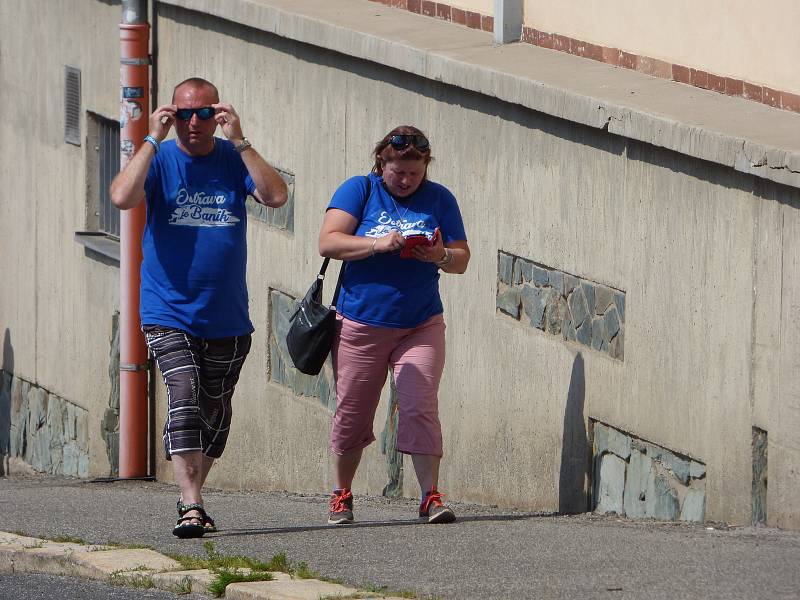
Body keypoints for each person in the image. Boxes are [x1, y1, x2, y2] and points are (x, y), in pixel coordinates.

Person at [110, 77, 288, 538]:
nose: (194, 123)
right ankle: (191, 504)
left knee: (215, 411)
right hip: (168, 310)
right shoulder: (161, 158)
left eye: (203, 114)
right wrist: (151, 138)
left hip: (226, 315)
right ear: (173, 114)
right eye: (185, 114)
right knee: (184, 396)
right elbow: (121, 197)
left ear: (218, 115)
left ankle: (194, 499)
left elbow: (275, 196)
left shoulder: (232, 158)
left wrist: (241, 140)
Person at [318, 125, 470, 525]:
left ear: (425, 169)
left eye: (414, 174)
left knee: (420, 404)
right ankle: (341, 494)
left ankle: (430, 497)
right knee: (353, 410)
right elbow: (328, 242)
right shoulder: (359, 190)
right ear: (381, 163)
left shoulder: (440, 198)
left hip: (420, 324)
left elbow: (462, 259)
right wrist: (376, 244)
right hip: (362, 324)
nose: (405, 181)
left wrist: (439, 256)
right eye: (397, 172)